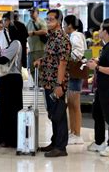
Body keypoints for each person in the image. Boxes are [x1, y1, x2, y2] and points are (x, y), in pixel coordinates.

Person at [35, 9, 70, 158]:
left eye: (51, 19)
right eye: (47, 19)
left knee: (59, 114)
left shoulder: (61, 38)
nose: (48, 22)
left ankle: (61, 147)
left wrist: (59, 85)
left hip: (56, 82)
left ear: (59, 21)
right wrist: (41, 61)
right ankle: (55, 142)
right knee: (53, 114)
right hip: (48, 81)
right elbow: (51, 57)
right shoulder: (51, 36)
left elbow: (62, 63)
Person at [0, 16, 23, 148]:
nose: (7, 31)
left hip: (12, 79)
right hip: (7, 78)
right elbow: (1, 53)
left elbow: (3, 60)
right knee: (5, 108)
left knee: (11, 109)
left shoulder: (16, 43)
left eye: (9, 29)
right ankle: (4, 137)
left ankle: (11, 138)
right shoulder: (11, 44)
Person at [86, 18, 109, 157]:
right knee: (97, 113)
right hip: (102, 86)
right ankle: (99, 141)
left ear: (105, 32)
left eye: (101, 29)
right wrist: (98, 61)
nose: (98, 31)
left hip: (108, 87)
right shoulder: (108, 46)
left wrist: (97, 67)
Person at [63, 15, 87, 145]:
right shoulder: (74, 35)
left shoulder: (75, 36)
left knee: (75, 105)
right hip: (73, 73)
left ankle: (77, 133)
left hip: (75, 72)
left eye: (64, 24)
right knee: (71, 104)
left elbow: (78, 53)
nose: (63, 27)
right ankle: (73, 132)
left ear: (70, 25)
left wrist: (66, 58)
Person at [26, 7, 48, 88]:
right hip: (31, 50)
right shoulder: (29, 22)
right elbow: (25, 32)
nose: (31, 14)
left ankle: (43, 85)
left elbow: (45, 31)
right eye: (30, 12)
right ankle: (38, 84)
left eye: (33, 12)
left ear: (37, 13)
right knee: (31, 68)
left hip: (40, 49)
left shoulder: (41, 21)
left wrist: (33, 32)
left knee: (41, 68)